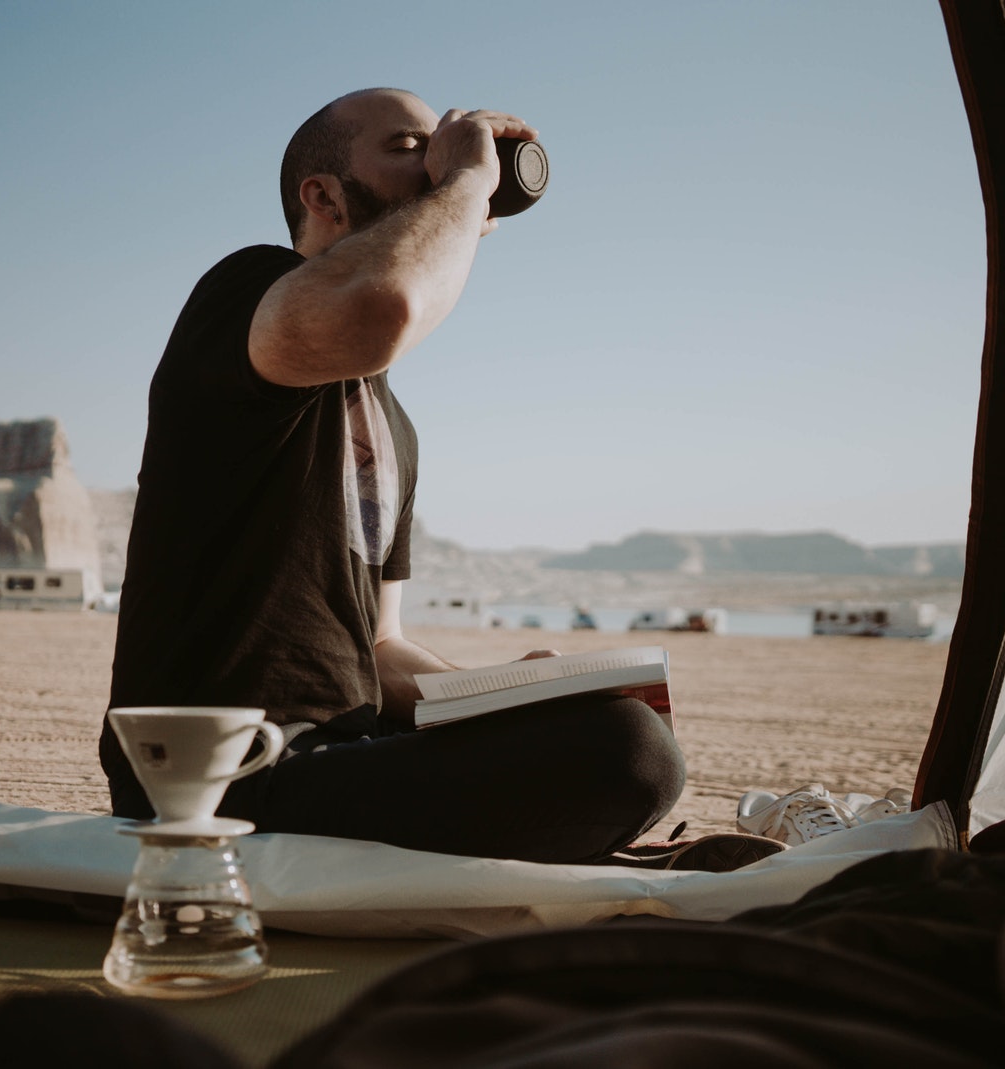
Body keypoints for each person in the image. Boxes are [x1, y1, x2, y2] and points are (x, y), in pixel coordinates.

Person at [103, 88, 684, 863]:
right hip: (218, 768)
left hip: (341, 755)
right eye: (411, 147)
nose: (438, 158)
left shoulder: (392, 421)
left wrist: (504, 689)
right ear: (323, 195)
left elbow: (378, 645)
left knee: (616, 737)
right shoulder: (240, 292)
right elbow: (382, 305)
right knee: (628, 750)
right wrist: (470, 179)